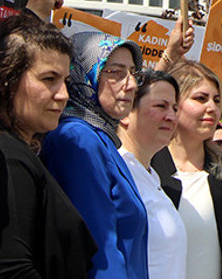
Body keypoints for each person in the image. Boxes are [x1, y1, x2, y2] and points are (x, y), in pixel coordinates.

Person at [0, 13, 96, 278]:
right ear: (7, 80)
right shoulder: (7, 157)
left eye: (65, 81)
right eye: (49, 79)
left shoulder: (16, 151)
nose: (63, 95)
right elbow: (10, 270)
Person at [40, 31, 148, 279]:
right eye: (115, 72)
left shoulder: (102, 138)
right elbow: (99, 247)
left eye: (133, 73)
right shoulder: (77, 139)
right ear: (84, 74)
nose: (130, 84)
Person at [151, 61, 222, 279]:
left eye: (216, 100)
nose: (212, 108)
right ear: (173, 104)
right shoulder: (147, 167)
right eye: (200, 98)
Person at [117, 69, 187, 279]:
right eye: (160, 106)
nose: (171, 117)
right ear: (127, 112)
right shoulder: (116, 171)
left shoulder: (152, 176)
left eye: (175, 108)